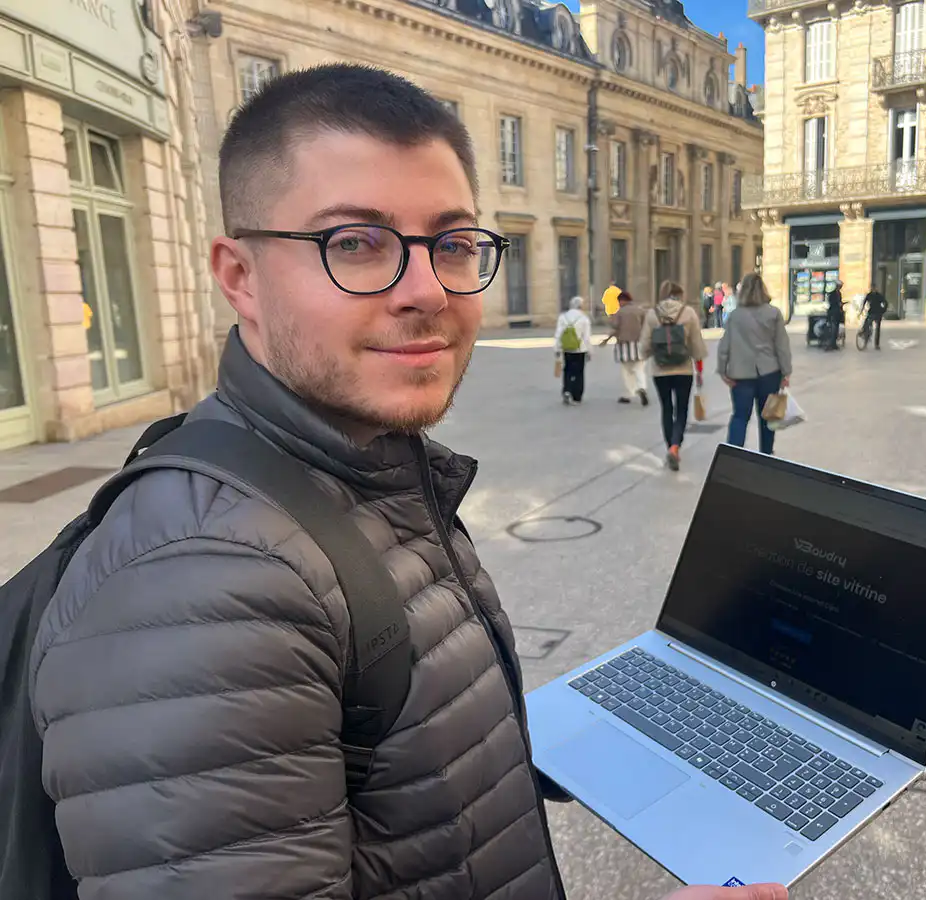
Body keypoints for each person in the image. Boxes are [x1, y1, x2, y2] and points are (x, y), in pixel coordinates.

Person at [24, 63, 785, 900]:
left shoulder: (370, 468)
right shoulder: (202, 583)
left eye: (452, 244)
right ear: (239, 276)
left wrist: (559, 738)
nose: (427, 290)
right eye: (354, 243)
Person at [718, 272, 792, 455]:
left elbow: (724, 345)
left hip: (740, 374)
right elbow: (782, 345)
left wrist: (722, 370)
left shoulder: (735, 316)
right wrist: (786, 371)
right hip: (769, 372)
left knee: (740, 416)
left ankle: (733, 455)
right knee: (767, 417)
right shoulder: (773, 313)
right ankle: (766, 454)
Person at [641, 279, 708, 471]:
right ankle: (675, 446)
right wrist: (699, 368)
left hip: (660, 369)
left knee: (666, 408)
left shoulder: (652, 314)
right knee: (681, 409)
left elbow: (645, 345)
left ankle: (670, 445)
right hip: (683, 369)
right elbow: (696, 343)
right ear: (679, 294)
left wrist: (648, 355)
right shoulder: (688, 312)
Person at [602, 289, 649, 405]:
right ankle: (642, 387)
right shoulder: (641, 311)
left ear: (622, 300)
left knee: (627, 371)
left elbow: (615, 328)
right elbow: (647, 327)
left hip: (624, 345)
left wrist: (606, 340)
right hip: (639, 344)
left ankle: (629, 394)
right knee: (639, 368)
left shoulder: (619, 313)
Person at [555, 295, 592, 404]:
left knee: (567, 370)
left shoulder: (563, 317)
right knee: (579, 372)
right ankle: (577, 395)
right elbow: (587, 337)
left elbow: (558, 334)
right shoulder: (584, 318)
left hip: (567, 348)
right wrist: (590, 351)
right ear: (581, 306)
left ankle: (567, 390)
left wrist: (557, 348)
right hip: (580, 349)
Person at [863, 284, 887, 350]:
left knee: (877, 329)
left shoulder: (878, 295)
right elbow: (864, 302)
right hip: (872, 312)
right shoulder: (869, 295)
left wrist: (883, 310)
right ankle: (866, 338)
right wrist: (861, 310)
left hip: (877, 313)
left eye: (873, 288)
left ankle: (876, 344)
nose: (873, 289)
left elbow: (885, 302)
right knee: (867, 325)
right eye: (872, 288)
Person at [824, 280, 844, 351]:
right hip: (833, 313)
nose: (840, 288)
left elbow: (839, 302)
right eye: (839, 286)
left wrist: (841, 305)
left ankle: (834, 344)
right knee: (833, 329)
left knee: (836, 330)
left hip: (838, 314)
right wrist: (838, 304)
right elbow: (832, 303)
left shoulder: (839, 294)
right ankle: (830, 344)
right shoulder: (832, 294)